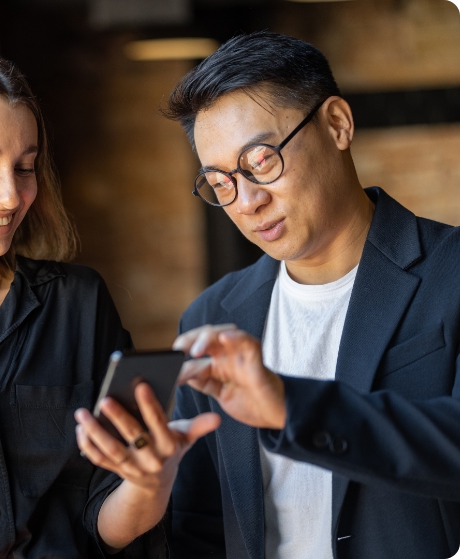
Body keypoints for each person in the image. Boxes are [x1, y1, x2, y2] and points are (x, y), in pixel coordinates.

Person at [0, 43, 219, 558]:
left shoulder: (78, 303)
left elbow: (104, 524)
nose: (10, 195)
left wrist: (149, 482)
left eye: (25, 168)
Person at [160, 32, 460, 559]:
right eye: (220, 182)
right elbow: (199, 525)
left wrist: (290, 407)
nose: (247, 201)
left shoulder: (451, 271)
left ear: (337, 124)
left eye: (261, 160)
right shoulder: (210, 317)